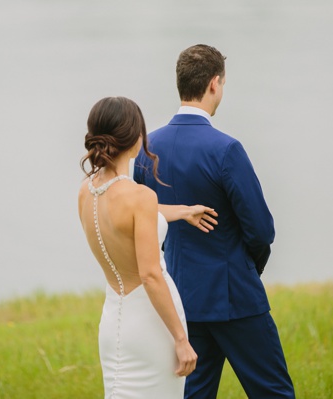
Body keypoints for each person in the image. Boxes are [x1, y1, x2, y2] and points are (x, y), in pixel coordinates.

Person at [133, 44, 296, 399]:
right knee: (274, 393)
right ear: (214, 84)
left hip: (181, 299)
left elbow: (143, 225)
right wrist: (246, 266)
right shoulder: (226, 149)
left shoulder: (148, 150)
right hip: (235, 298)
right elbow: (262, 230)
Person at [78, 96, 222, 397]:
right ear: (133, 137)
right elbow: (150, 275)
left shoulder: (87, 191)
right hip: (151, 327)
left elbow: (126, 223)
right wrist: (181, 340)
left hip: (114, 322)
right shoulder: (139, 196)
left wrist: (181, 211)